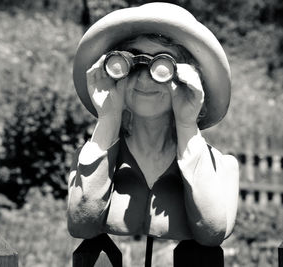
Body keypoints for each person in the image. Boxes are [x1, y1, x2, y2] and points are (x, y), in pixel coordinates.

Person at [67, 2, 239, 247]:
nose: (145, 77)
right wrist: (108, 117)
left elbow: (211, 231)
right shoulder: (93, 156)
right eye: (133, 62)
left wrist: (187, 124)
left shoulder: (223, 168)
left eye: (164, 64)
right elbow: (81, 224)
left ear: (190, 77)